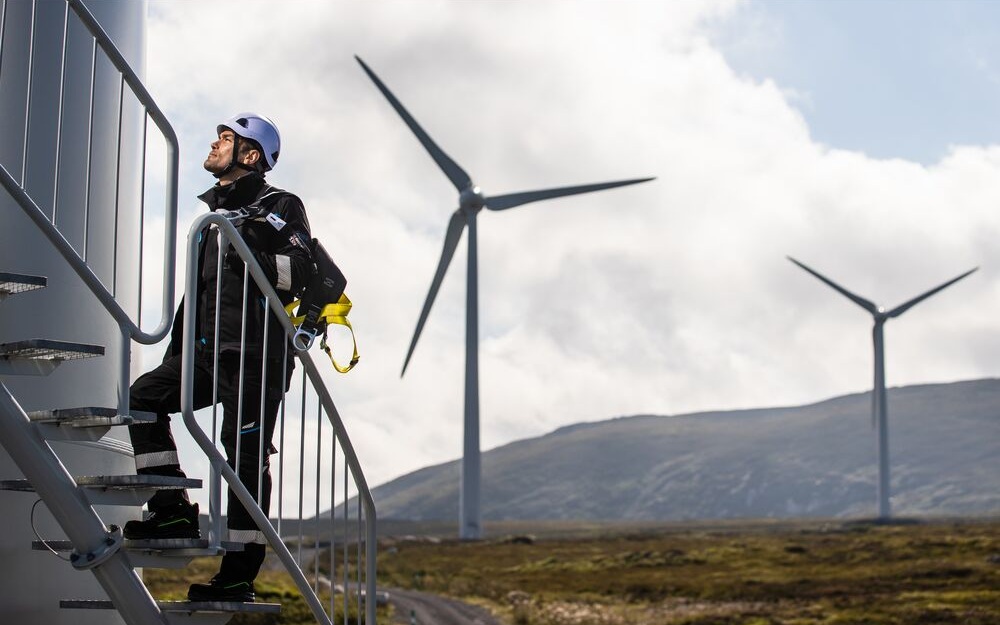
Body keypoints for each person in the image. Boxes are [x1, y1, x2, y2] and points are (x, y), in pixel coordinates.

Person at [124, 113, 313, 603]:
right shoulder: (210, 221)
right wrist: (177, 355)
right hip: (207, 353)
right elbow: (198, 295)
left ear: (251, 155)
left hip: (256, 356)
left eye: (226, 139)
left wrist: (250, 246)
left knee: (243, 458)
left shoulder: (280, 206)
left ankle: (238, 574)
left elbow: (297, 275)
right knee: (145, 396)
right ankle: (171, 507)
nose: (213, 143)